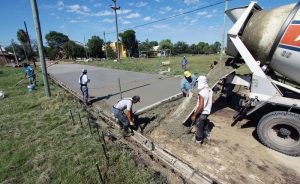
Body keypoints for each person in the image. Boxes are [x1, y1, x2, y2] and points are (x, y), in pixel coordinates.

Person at [191, 76, 213, 144]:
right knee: (205, 123)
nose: (197, 83)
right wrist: (208, 104)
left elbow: (200, 107)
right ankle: (207, 136)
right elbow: (213, 101)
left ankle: (198, 141)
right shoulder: (210, 90)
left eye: (198, 82)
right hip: (208, 112)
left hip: (202, 113)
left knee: (199, 126)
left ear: (201, 82)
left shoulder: (202, 93)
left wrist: (194, 115)